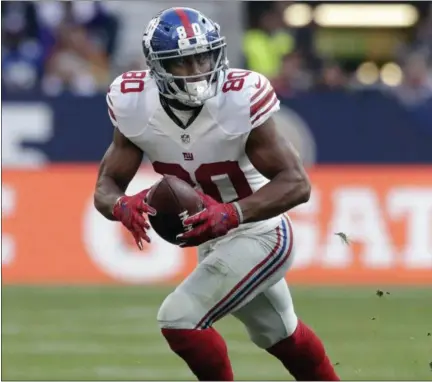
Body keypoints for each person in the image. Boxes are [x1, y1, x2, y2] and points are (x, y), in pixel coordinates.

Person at [94, 7, 339, 381]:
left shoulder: (239, 97)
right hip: (212, 240)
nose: (198, 70)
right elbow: (106, 187)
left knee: (179, 317)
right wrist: (120, 205)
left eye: (203, 57)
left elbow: (296, 183)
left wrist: (232, 213)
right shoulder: (132, 102)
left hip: (262, 233)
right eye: (184, 62)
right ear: (158, 67)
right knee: (279, 335)